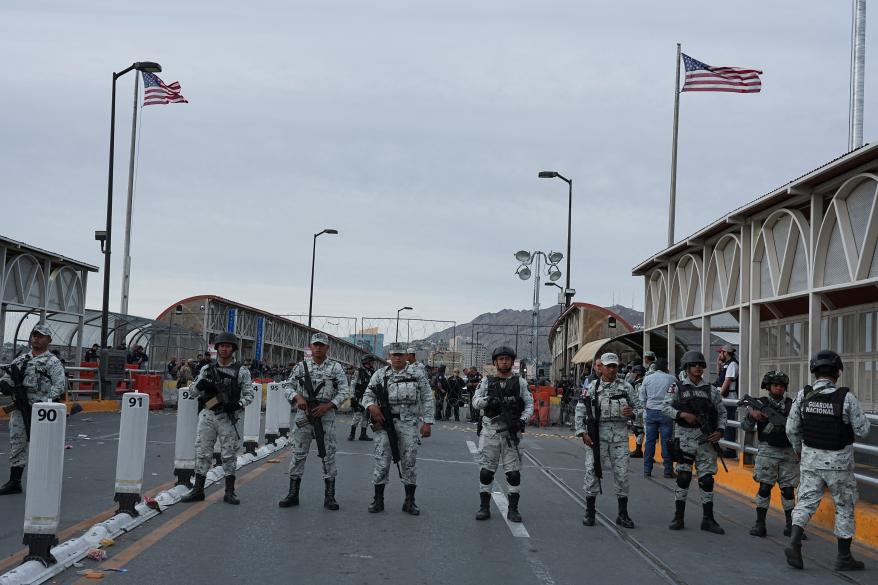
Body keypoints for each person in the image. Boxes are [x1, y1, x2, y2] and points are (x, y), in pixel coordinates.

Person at [784, 350, 871, 571]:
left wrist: (799, 451)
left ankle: (794, 542)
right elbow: (863, 430)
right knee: (844, 506)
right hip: (839, 465)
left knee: (805, 502)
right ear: (837, 372)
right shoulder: (846, 398)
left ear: (814, 372)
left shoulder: (803, 395)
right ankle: (843, 557)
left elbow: (791, 428)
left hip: (811, 461)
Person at [278, 333, 350, 510]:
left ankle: (330, 496)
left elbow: (344, 391)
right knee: (298, 453)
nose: (318, 348)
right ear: (311, 347)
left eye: (322, 345)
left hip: (326, 416)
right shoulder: (301, 367)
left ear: (327, 348)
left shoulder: (335, 368)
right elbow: (287, 386)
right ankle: (293, 494)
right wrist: (297, 397)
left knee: (328, 454)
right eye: (315, 345)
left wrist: (330, 405)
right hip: (304, 415)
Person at [180, 332, 253, 505]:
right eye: (221, 346)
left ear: (233, 349)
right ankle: (198, 490)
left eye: (228, 346)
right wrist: (200, 385)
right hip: (208, 414)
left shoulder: (241, 371)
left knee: (229, 454)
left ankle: (229, 491)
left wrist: (238, 404)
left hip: (227, 416)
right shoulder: (207, 369)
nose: (224, 349)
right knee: (203, 451)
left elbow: (250, 395)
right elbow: (191, 393)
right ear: (217, 348)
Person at [362, 342, 434, 515]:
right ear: (390, 356)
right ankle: (378, 500)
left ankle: (409, 501)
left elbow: (427, 398)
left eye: (400, 355)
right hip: (385, 425)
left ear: (406, 356)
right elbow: (366, 395)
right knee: (381, 461)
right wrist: (371, 406)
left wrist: (427, 422)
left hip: (409, 424)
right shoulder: (380, 374)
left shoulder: (417, 374)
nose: (397, 358)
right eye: (394, 355)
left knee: (409, 461)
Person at [663, 350, 727, 533]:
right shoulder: (677, 388)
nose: (697, 368)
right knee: (683, 478)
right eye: (693, 365)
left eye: (700, 365)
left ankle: (708, 519)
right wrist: (682, 414)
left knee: (706, 480)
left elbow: (722, 413)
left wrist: (720, 431)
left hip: (706, 441)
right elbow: (664, 407)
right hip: (684, 439)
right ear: (686, 367)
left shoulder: (711, 390)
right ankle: (678, 517)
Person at [0, 323, 67, 495]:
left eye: (40, 336)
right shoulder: (21, 359)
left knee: (44, 446)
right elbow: (8, 376)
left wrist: (44, 403)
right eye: (34, 335)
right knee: (17, 443)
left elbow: (59, 386)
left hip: (42, 411)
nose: (36, 338)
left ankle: (47, 480)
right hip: (20, 409)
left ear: (48, 340)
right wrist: (6, 384)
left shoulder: (52, 361)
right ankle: (15, 482)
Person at [575, 352, 640, 528]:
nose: (611, 369)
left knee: (622, 474)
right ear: (600, 367)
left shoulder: (626, 387)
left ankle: (623, 514)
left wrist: (633, 414)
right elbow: (580, 410)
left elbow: (641, 409)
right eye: (608, 366)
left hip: (619, 436)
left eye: (614, 366)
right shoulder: (591, 388)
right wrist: (582, 432)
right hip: (597, 436)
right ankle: (590, 512)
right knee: (592, 472)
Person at [472, 347, 534, 522]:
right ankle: (484, 507)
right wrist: (488, 401)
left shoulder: (520, 383)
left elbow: (529, 405)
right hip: (490, 431)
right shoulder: (486, 382)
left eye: (507, 359)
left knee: (513, 473)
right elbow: (475, 402)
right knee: (486, 471)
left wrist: (522, 421)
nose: (504, 362)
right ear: (495, 362)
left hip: (511, 432)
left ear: (512, 362)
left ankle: (513, 509)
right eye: (501, 359)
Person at [740, 370, 802, 538]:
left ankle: (791, 525)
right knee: (765, 487)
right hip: (768, 450)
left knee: (788, 490)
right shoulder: (760, 404)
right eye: (775, 385)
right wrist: (752, 416)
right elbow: (745, 427)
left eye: (782, 386)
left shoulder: (793, 404)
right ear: (768, 387)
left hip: (788, 451)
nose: (779, 388)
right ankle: (760, 524)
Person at [639, 358, 677, 479]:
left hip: (651, 412)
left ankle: (647, 470)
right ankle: (668, 471)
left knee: (650, 442)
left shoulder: (648, 378)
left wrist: (647, 406)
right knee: (667, 442)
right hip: (666, 413)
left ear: (655, 368)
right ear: (666, 367)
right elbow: (676, 396)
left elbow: (642, 396)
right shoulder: (672, 379)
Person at [715, 345, 739, 459]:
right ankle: (726, 446)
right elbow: (720, 378)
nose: (719, 355)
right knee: (723, 422)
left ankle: (730, 450)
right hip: (725, 398)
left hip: (729, 398)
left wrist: (719, 396)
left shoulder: (732, 364)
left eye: (721, 353)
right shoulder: (726, 364)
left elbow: (727, 380)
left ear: (726, 353)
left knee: (729, 423)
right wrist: (718, 366)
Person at [348, 354, 375, 441]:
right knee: (357, 415)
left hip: (368, 398)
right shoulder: (358, 372)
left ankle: (363, 435)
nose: (372, 363)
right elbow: (352, 384)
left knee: (366, 416)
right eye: (371, 361)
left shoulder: (372, 372)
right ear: (366, 362)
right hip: (359, 397)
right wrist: (352, 397)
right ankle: (352, 434)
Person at [629, 365, 646, 458]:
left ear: (638, 373)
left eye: (633, 372)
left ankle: (639, 450)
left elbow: (639, 399)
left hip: (641, 409)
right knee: (640, 430)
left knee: (639, 430)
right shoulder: (639, 382)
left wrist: (637, 411)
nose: (632, 374)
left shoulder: (640, 384)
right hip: (642, 409)